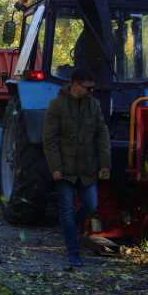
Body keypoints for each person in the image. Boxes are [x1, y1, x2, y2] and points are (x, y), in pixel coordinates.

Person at [42, 68, 111, 268]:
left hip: (87, 169)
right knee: (66, 211)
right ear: (74, 84)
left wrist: (105, 163)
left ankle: (70, 228)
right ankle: (73, 252)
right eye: (87, 87)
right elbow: (50, 140)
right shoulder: (57, 106)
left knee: (90, 205)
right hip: (64, 170)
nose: (90, 92)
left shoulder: (94, 106)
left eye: (92, 88)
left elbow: (102, 135)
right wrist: (55, 167)